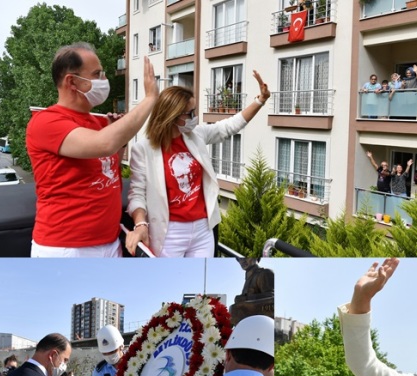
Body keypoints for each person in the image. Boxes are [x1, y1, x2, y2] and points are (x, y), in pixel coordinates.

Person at [26, 42, 158, 257]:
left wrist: (120, 141)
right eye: (97, 74)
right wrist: (150, 98)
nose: (103, 81)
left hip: (109, 241)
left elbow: (108, 169)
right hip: (66, 248)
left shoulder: (98, 123)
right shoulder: (46, 122)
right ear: (72, 81)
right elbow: (103, 144)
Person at [126, 71, 270, 257]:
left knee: (200, 283)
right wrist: (140, 224)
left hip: (203, 229)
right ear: (172, 116)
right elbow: (136, 193)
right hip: (169, 232)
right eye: (190, 113)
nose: (194, 118)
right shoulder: (143, 149)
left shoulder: (196, 135)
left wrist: (260, 101)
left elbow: (230, 126)